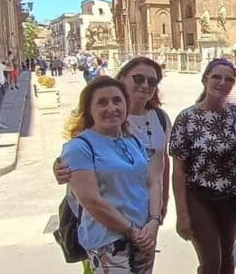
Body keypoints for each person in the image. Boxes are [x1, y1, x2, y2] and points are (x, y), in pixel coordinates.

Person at [59, 77, 162, 273]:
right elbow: (92, 201)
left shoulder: (132, 141)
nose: (111, 108)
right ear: (89, 109)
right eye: (102, 102)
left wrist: (154, 221)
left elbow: (151, 183)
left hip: (143, 236)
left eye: (117, 100)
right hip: (110, 241)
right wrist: (131, 231)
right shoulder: (79, 148)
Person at [55, 58, 172, 221]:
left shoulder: (160, 118)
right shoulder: (106, 116)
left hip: (147, 206)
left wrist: (162, 201)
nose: (145, 85)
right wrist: (59, 167)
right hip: (108, 213)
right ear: (122, 78)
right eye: (138, 78)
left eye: (152, 81)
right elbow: (79, 150)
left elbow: (162, 161)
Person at [169, 59, 236, 274]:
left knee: (228, 260)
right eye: (216, 77)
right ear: (205, 79)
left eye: (229, 79)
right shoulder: (187, 118)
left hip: (230, 198)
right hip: (199, 197)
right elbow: (178, 170)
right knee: (211, 262)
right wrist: (182, 213)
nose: (222, 82)